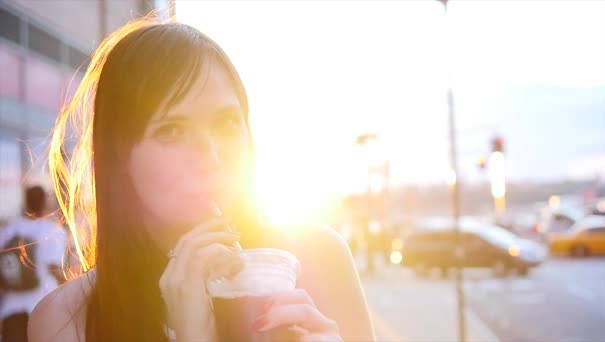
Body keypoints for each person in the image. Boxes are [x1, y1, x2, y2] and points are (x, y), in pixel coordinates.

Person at [28, 14, 375, 342]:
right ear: (121, 156)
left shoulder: (316, 259)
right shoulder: (67, 318)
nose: (210, 156)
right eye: (172, 131)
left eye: (226, 123)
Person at [0, 186, 67, 342]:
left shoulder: (9, 230)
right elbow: (53, 268)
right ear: (45, 203)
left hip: (12, 308)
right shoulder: (53, 231)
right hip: (43, 306)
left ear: (26, 202)